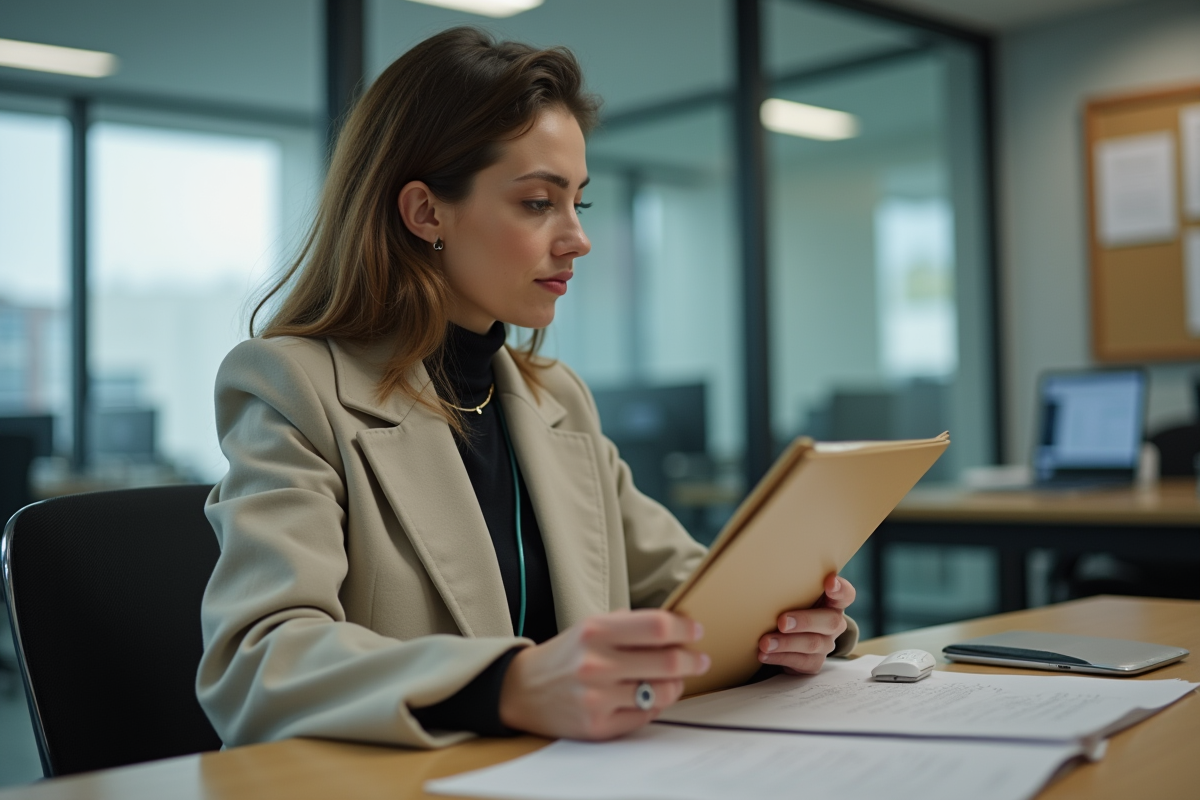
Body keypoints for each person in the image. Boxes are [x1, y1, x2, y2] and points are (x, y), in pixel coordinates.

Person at [197, 26, 858, 749]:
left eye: (580, 202)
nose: (578, 238)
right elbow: (258, 664)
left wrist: (789, 625)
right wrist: (510, 685)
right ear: (425, 213)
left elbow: (687, 590)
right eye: (539, 202)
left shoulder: (555, 397)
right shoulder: (293, 386)